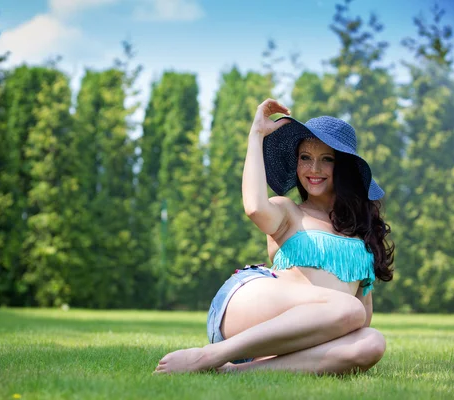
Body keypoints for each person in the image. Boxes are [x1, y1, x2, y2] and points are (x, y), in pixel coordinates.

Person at [154, 98, 394, 375]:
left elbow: (360, 316)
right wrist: (256, 135)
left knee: (371, 341)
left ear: (344, 168)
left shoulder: (361, 234)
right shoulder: (288, 210)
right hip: (252, 307)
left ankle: (235, 372)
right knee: (350, 309)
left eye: (326, 159)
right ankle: (211, 355)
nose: (313, 169)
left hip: (300, 335)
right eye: (305, 158)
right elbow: (255, 207)